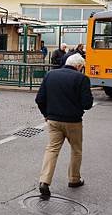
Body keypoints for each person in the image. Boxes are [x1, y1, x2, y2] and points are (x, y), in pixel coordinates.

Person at [35, 53, 93, 200]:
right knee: (76, 150)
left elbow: (39, 99)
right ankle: (74, 179)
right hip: (73, 122)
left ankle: (44, 181)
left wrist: (46, 115)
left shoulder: (50, 75)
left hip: (53, 120)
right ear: (79, 66)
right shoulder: (82, 79)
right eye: (82, 67)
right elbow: (87, 104)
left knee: (52, 149)